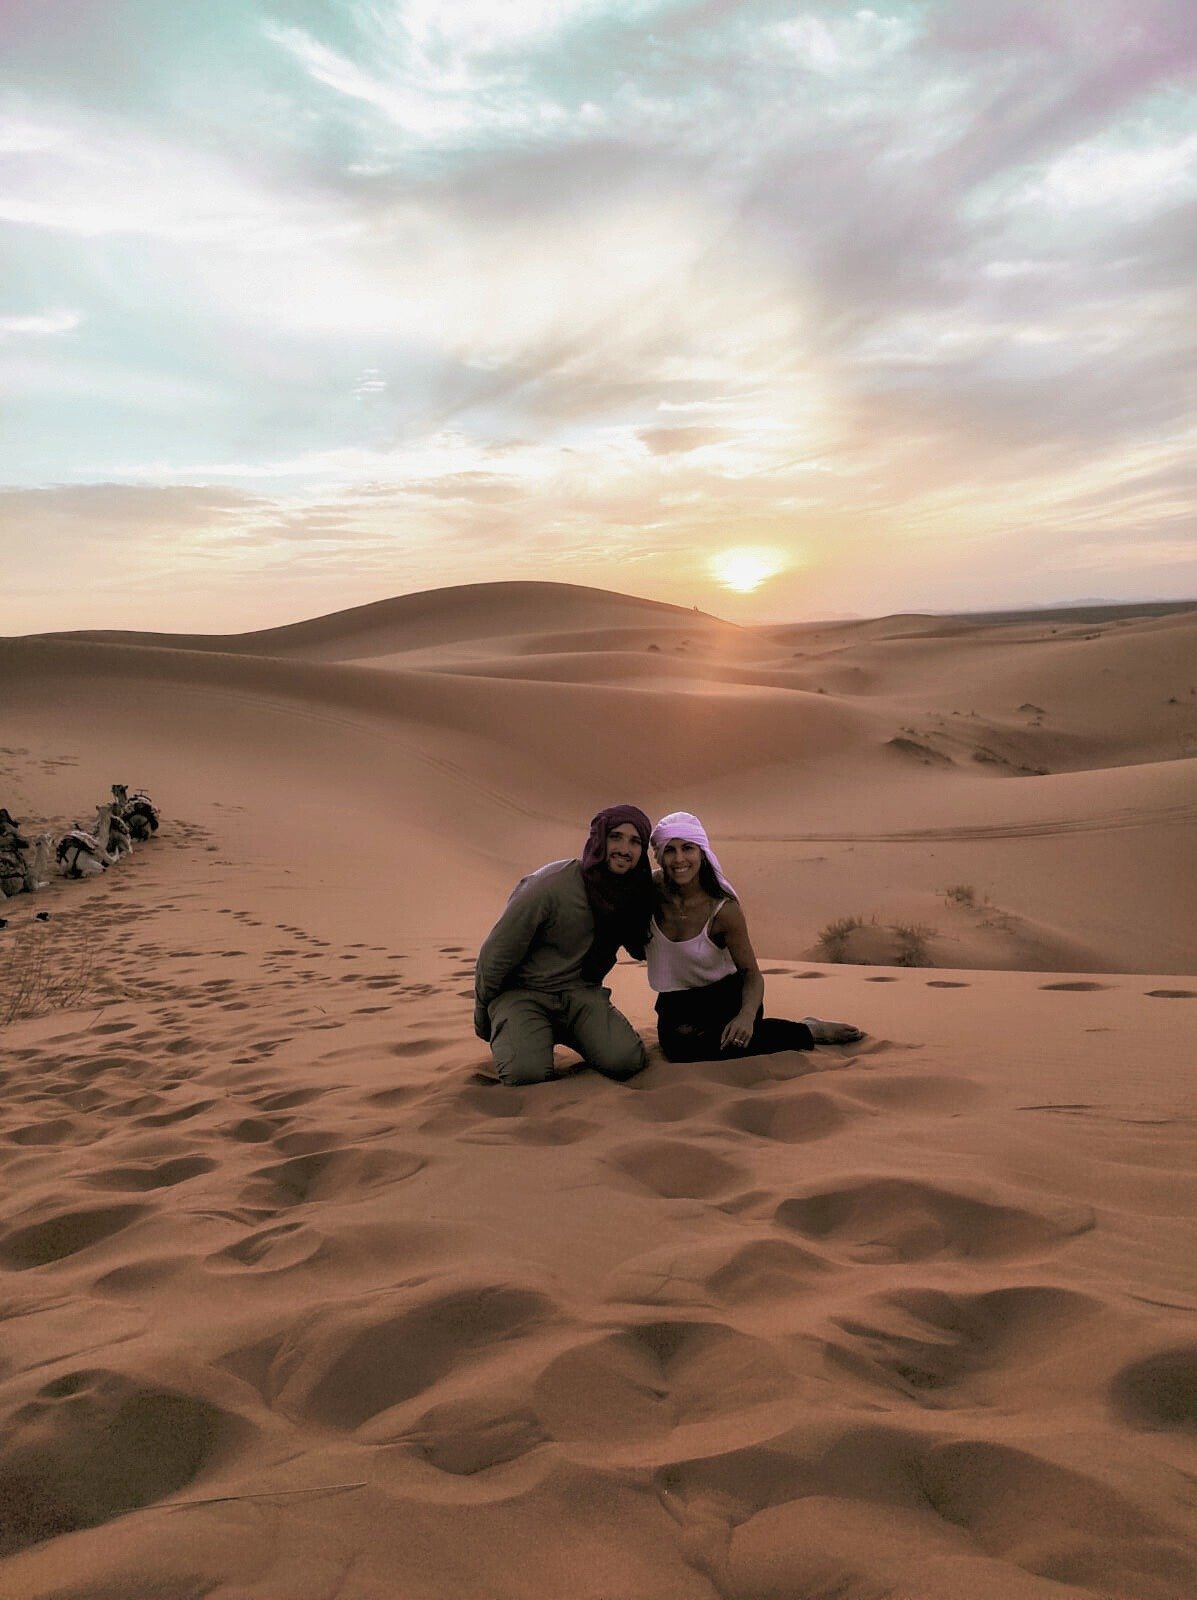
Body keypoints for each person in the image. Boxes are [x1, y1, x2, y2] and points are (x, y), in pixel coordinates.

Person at [647, 811, 863, 1062]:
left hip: (727, 997)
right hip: (677, 1002)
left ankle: (807, 1030)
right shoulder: (650, 890)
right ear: (659, 855)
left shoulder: (723, 910)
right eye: (670, 850)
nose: (679, 859)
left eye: (688, 848)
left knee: (727, 1041)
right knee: (677, 1049)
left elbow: (751, 974)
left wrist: (746, 1017)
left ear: (702, 853)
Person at [474, 805, 654, 1086]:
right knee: (526, 1074)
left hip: (580, 995)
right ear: (598, 839)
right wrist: (483, 1015)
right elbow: (495, 955)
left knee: (626, 1060)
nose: (624, 848)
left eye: (635, 841)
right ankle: (520, 1036)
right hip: (525, 994)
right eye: (615, 837)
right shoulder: (549, 885)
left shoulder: (631, 895)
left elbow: (641, 947)